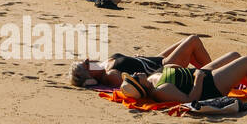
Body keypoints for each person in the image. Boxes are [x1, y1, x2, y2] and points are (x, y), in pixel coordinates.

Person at [118, 55, 247, 103]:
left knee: (234, 55)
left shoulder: (151, 79)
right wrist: (198, 78)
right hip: (208, 86)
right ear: (140, 88)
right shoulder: (160, 90)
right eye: (134, 78)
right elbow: (192, 99)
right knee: (246, 61)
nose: (134, 74)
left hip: (200, 74)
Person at [69, 36, 218, 88]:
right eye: (86, 65)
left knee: (187, 43)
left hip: (154, 59)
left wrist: (136, 59)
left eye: (84, 60)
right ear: (90, 79)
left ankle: (214, 72)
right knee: (193, 40)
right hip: (162, 67)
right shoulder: (110, 75)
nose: (88, 60)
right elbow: (139, 82)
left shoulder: (102, 65)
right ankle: (213, 75)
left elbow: (129, 64)